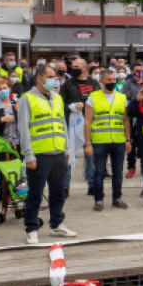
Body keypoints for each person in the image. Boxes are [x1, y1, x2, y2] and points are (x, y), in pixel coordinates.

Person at [18, 64, 76, 244]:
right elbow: (24, 129)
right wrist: (29, 155)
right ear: (39, 78)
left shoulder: (57, 98)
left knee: (58, 192)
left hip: (58, 152)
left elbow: (62, 124)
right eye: (51, 76)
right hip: (39, 154)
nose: (55, 79)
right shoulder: (27, 99)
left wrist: (66, 149)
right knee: (35, 193)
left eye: (55, 76)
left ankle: (57, 224)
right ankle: (32, 227)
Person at [84, 69, 131, 212]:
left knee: (118, 172)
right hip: (99, 141)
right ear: (101, 81)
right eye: (108, 79)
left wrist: (128, 139)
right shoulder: (93, 97)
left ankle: (117, 198)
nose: (112, 82)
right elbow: (87, 121)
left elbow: (126, 120)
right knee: (99, 172)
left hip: (118, 141)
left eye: (113, 79)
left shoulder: (122, 97)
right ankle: (98, 199)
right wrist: (88, 143)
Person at [61, 57, 100, 198]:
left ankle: (92, 185)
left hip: (90, 123)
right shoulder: (67, 85)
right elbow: (60, 104)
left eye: (77, 66)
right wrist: (71, 107)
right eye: (72, 66)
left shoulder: (94, 84)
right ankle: (65, 187)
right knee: (69, 155)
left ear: (84, 68)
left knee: (90, 155)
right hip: (72, 124)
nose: (73, 68)